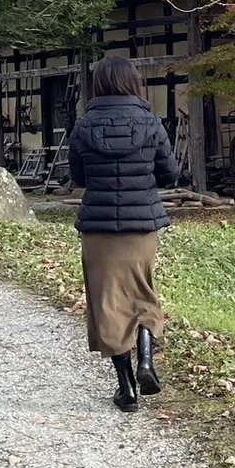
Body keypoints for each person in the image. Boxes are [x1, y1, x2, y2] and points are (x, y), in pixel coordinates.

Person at [67, 56, 180, 412]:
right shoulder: (151, 123)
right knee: (142, 293)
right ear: (134, 83)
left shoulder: (84, 126)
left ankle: (126, 388)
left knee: (108, 304)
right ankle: (146, 360)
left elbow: (79, 179)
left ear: (98, 85)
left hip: (98, 230)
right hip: (141, 227)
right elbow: (170, 174)